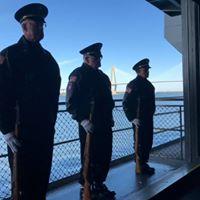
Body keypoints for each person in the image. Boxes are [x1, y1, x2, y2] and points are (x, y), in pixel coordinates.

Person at [0, 3, 61, 200]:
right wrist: (6, 129)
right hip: (20, 132)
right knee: (22, 183)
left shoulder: (48, 58)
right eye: (37, 24)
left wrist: (51, 122)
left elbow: (53, 95)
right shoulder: (9, 56)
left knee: (42, 177)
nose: (42, 27)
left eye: (43, 24)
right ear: (24, 26)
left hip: (44, 131)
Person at [66, 43, 116, 199]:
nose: (99, 60)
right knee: (89, 155)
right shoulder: (78, 74)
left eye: (100, 57)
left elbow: (109, 101)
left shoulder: (103, 77)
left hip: (105, 123)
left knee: (104, 154)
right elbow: (71, 102)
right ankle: (86, 185)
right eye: (96, 57)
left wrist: (110, 117)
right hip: (89, 124)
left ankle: (99, 183)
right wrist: (82, 120)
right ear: (86, 58)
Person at [123, 58, 155, 175]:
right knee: (140, 142)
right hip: (139, 119)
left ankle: (144, 163)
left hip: (148, 118)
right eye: (145, 69)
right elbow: (126, 103)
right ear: (138, 71)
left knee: (148, 141)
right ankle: (139, 164)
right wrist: (132, 118)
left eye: (147, 69)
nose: (147, 71)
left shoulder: (149, 85)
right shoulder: (133, 84)